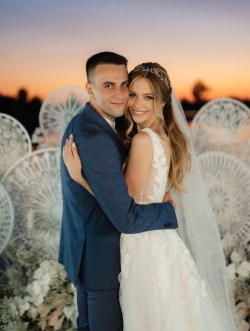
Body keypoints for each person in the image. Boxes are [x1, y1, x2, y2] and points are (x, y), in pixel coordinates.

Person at [64, 62, 239, 330]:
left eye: (148, 97)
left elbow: (124, 206)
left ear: (163, 101)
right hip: (162, 243)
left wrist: (81, 179)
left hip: (144, 248)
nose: (136, 104)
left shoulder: (143, 140)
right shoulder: (164, 137)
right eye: (133, 94)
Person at [58, 52, 178, 331]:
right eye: (108, 85)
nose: (121, 94)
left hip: (99, 253)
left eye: (124, 84)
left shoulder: (106, 126)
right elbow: (125, 217)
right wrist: (168, 210)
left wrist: (81, 179)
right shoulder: (95, 136)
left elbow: (113, 191)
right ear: (89, 88)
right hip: (101, 259)